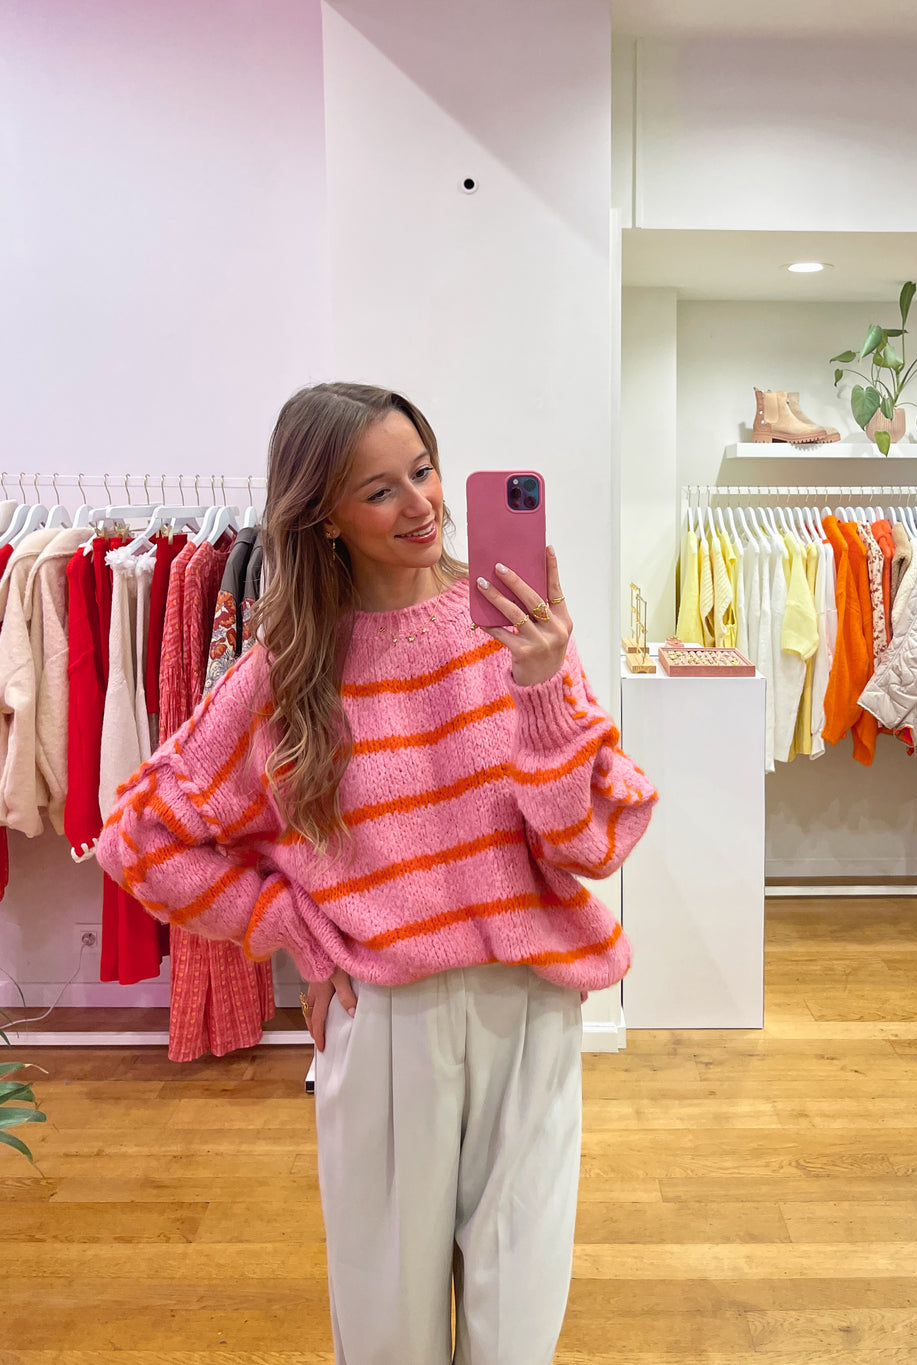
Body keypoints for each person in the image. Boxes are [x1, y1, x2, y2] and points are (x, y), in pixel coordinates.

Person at [96, 382, 657, 1365]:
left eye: (425, 470)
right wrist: (299, 929)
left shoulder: (516, 630)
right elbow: (141, 837)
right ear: (322, 515)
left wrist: (540, 689)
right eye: (380, 490)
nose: (422, 505)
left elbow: (587, 847)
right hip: (391, 1020)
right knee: (388, 1328)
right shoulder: (285, 671)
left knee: (517, 1324)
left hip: (533, 1008)